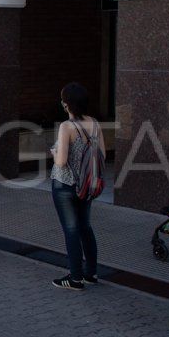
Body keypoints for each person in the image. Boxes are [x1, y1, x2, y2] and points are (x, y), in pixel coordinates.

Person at [49, 83, 105, 290]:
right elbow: (103, 155)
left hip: (65, 184)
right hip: (87, 185)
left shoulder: (66, 126)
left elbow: (61, 162)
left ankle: (75, 278)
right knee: (85, 228)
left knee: (71, 230)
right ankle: (91, 273)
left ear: (67, 104)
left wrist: (54, 152)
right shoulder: (95, 124)